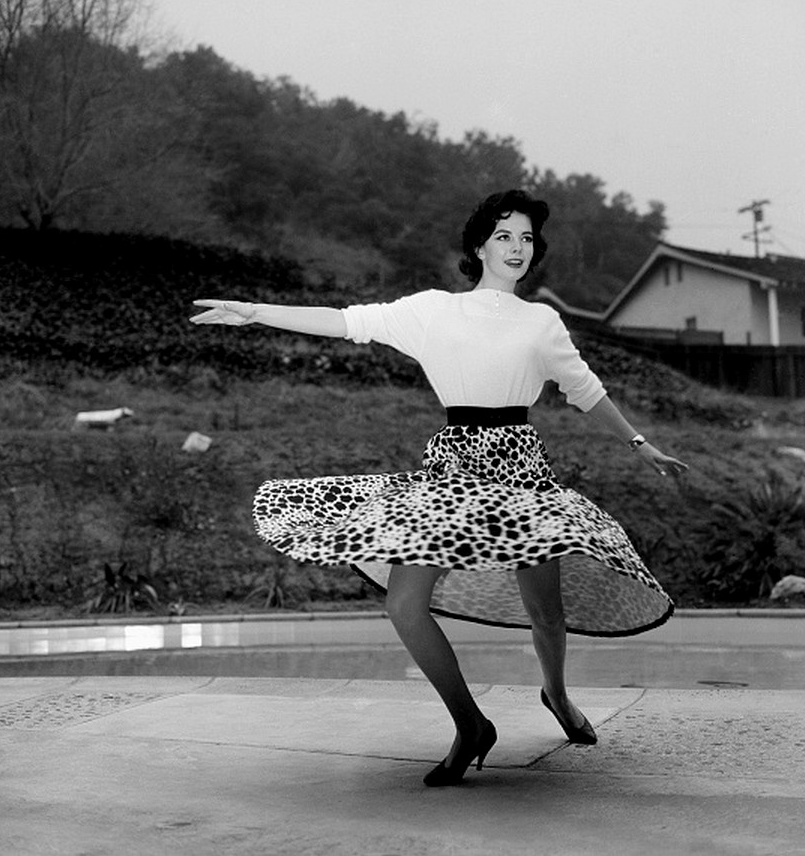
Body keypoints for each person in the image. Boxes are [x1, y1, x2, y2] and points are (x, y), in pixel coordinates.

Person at [191, 189, 688, 787]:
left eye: (527, 239)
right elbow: (348, 321)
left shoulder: (541, 321)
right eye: (503, 236)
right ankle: (470, 724)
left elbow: (585, 389)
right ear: (479, 247)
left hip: (521, 473)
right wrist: (254, 311)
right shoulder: (432, 311)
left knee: (546, 613)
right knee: (403, 605)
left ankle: (556, 695)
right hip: (452, 471)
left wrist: (640, 444)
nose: (516, 248)